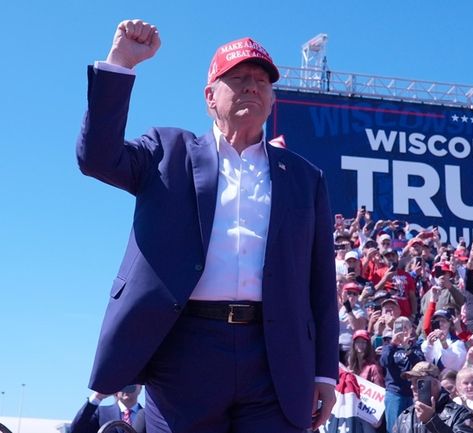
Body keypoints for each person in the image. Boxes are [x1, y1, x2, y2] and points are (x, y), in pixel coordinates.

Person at [77, 20, 338, 432]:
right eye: (238, 78)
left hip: (276, 357)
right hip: (184, 352)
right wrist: (122, 63)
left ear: (272, 99)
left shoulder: (306, 178)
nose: (252, 86)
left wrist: (324, 372)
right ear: (210, 97)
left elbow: (321, 283)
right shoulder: (168, 151)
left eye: (261, 81)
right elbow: (97, 157)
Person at [394, 362, 473, 433]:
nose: (412, 386)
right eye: (411, 382)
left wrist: (431, 420)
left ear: (436, 383)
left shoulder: (460, 414)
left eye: (418, 382)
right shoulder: (405, 416)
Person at [70, 385, 145, 433]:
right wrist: (97, 397)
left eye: (132, 383)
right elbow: (76, 430)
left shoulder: (148, 416)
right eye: (122, 383)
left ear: (140, 387)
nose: (127, 387)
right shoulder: (101, 413)